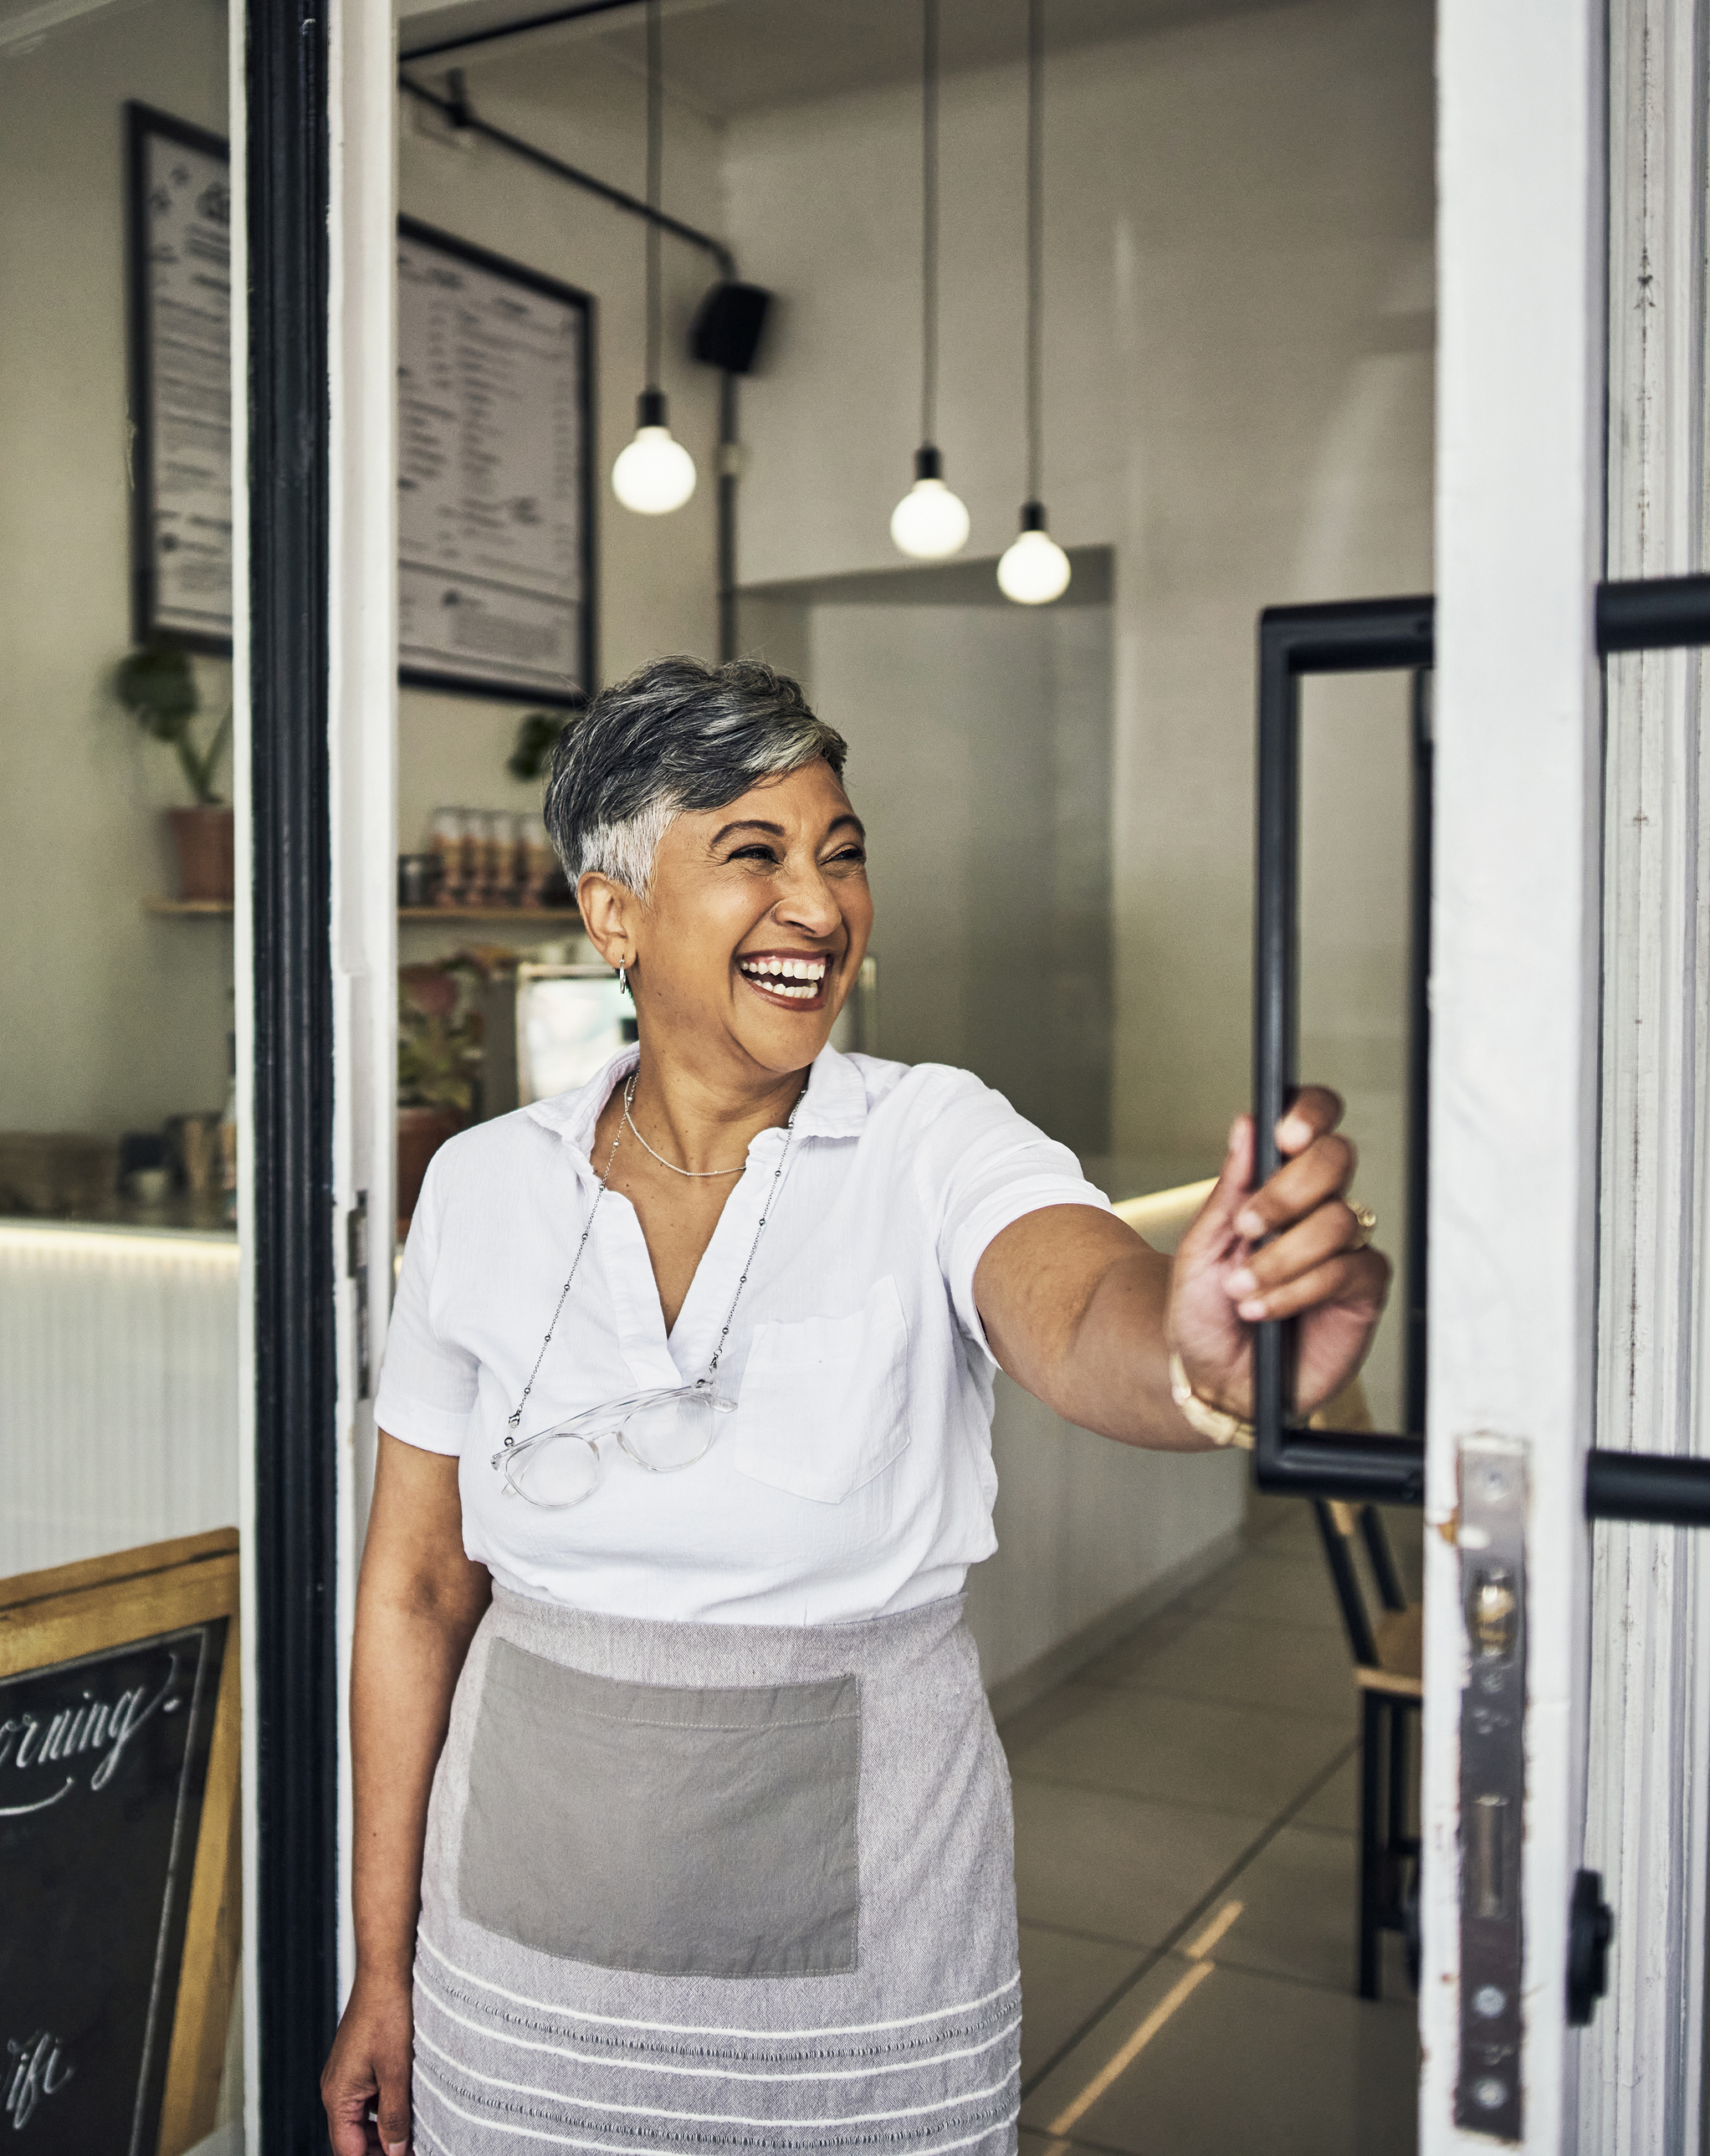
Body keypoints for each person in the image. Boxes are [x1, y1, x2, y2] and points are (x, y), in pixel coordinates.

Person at [322, 656, 1389, 2156]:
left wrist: (1203, 1351)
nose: (819, 908)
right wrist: (383, 1965)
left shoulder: (932, 1136)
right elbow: (417, 1585)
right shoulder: (484, 1186)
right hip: (517, 1942)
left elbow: (1083, 1306)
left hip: (858, 1964)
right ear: (611, 910)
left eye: (841, 854)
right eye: (754, 854)